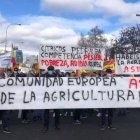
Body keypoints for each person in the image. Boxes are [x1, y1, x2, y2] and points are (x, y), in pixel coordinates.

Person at [41, 66, 60, 132]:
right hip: (47, 96)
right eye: (49, 70)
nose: (50, 71)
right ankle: (46, 126)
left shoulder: (57, 75)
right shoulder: (44, 76)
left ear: (53, 70)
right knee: (46, 112)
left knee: (57, 112)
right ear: (47, 70)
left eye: (51, 70)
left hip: (55, 96)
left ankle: (57, 124)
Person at [0, 68, 11, 133]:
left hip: (4, 98)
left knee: (5, 113)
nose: (1, 71)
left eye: (1, 69)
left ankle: (5, 127)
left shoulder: (6, 76)